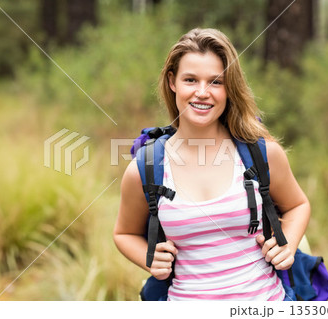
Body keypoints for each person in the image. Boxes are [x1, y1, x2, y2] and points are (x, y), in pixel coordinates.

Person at [113, 28, 310, 301]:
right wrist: (149, 260)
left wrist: (287, 244)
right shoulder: (145, 168)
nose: (202, 92)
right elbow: (124, 233)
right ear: (173, 82)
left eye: (216, 82)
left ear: (230, 87)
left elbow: (298, 205)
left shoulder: (262, 154)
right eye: (191, 80)